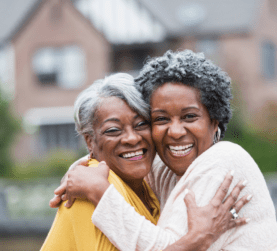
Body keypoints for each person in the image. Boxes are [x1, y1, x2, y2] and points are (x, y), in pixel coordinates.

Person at [51, 50, 277, 251]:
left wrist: (100, 191)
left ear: (214, 122)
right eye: (161, 118)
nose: (176, 132)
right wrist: (79, 172)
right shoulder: (166, 170)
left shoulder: (223, 160)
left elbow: (160, 246)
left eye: (189, 116)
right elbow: (123, 156)